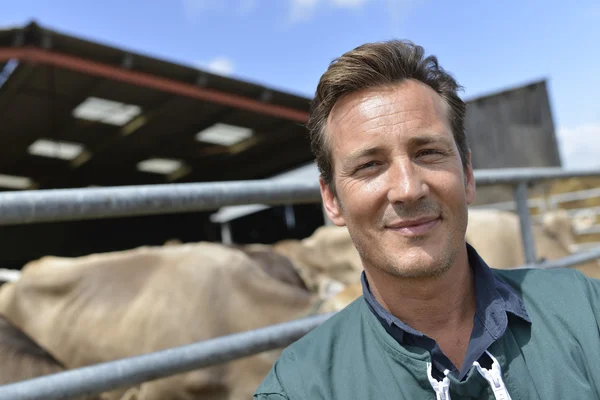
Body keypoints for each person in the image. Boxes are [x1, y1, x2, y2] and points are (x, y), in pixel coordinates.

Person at [254, 40, 600, 400]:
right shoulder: (298, 388)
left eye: (429, 152)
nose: (408, 189)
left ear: (467, 175)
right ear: (332, 200)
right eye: (369, 165)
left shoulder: (587, 314)